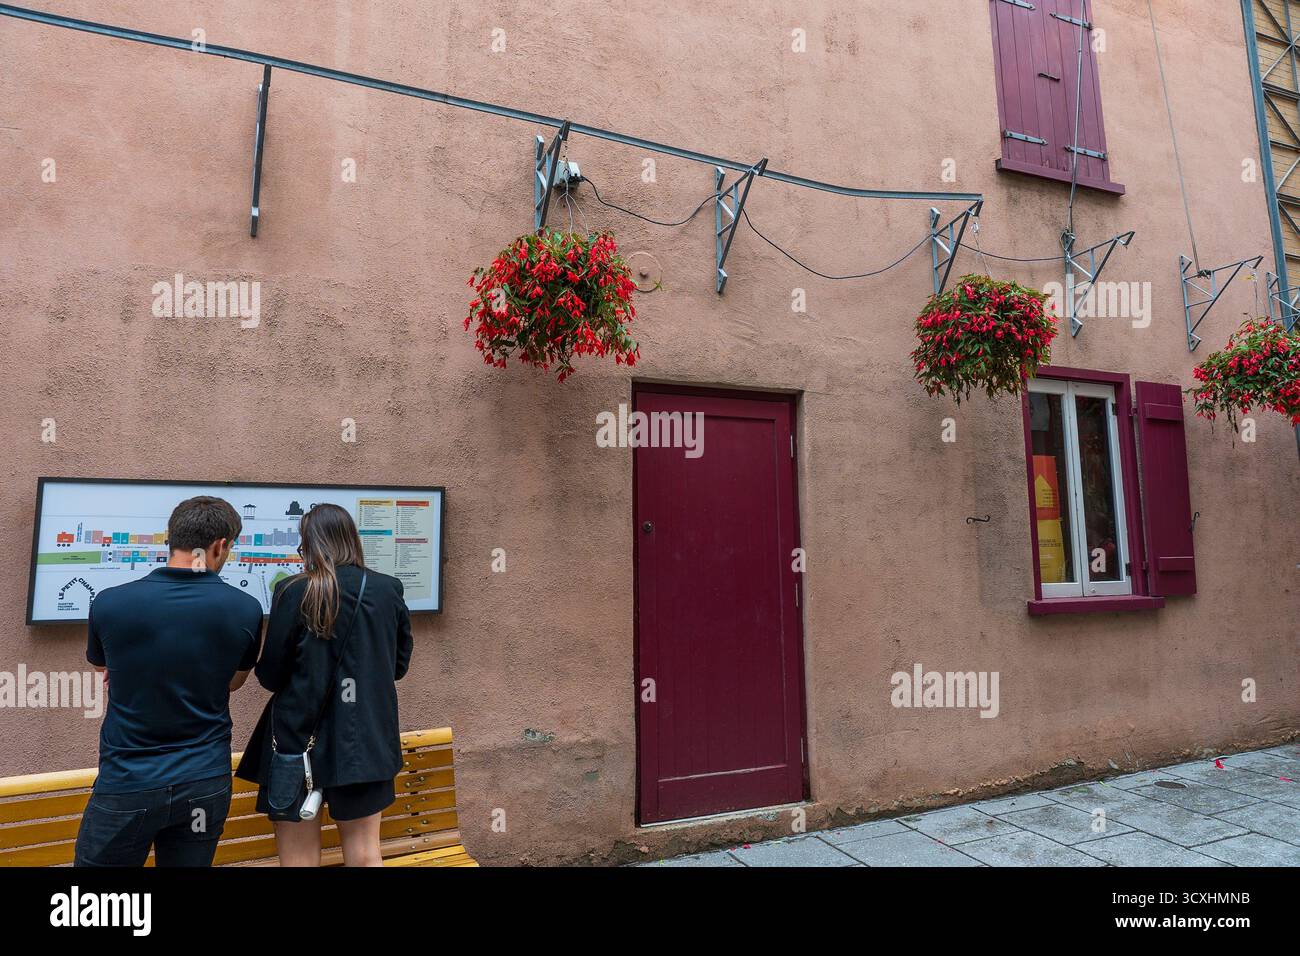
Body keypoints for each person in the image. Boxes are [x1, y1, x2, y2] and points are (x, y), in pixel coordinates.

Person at [74, 496, 262, 867]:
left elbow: (105, 672)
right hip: (205, 781)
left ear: (170, 538)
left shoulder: (111, 603)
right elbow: (234, 683)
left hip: (128, 783)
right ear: (220, 545)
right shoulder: (246, 608)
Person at [237, 503, 413, 866]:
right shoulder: (386, 589)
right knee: (365, 853)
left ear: (310, 546)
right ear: (352, 540)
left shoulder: (292, 591)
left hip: (297, 739)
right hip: (364, 739)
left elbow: (270, 675)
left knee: (298, 857)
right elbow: (397, 667)